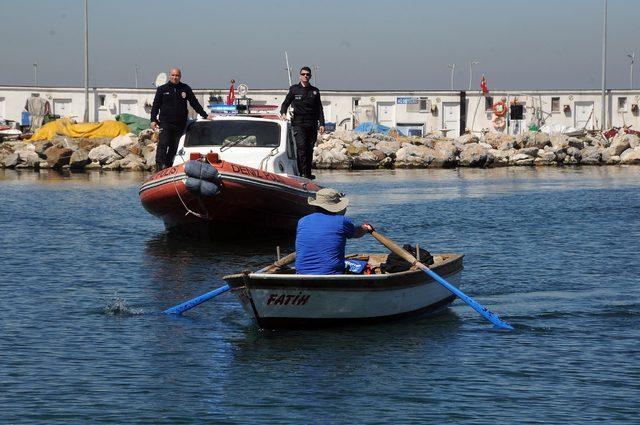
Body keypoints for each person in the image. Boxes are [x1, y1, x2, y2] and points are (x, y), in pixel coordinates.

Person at [295, 188, 373, 275]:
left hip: (301, 272)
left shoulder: (302, 221)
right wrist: (366, 228)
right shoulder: (342, 221)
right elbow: (357, 233)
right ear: (336, 206)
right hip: (331, 272)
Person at [150, 68, 211, 171]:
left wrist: (205, 115)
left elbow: (194, 103)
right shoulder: (162, 89)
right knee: (163, 144)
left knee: (174, 147)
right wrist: (153, 120)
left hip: (180, 124)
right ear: (170, 76)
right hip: (165, 123)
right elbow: (155, 106)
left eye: (177, 75)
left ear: (180, 76)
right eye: (173, 75)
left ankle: (168, 166)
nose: (175, 77)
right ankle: (159, 166)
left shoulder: (185, 88)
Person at [280, 66, 325, 180]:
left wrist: (322, 124)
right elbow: (285, 103)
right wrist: (283, 113)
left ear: (310, 76)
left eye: (307, 74)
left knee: (309, 149)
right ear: (300, 76)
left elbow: (319, 108)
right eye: (303, 74)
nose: (305, 76)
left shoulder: (315, 91)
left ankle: (308, 173)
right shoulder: (294, 89)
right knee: (301, 147)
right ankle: (302, 173)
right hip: (299, 123)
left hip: (312, 123)